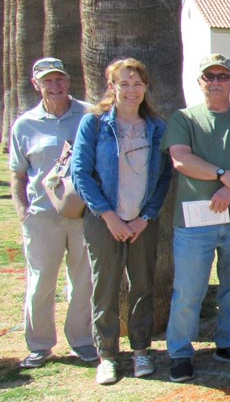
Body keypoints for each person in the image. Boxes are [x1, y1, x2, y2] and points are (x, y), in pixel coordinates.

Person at [163, 54, 230, 382]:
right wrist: (224, 176)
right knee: (189, 290)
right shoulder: (184, 118)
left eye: (223, 76)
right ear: (200, 82)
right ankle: (180, 352)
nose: (217, 81)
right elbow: (181, 160)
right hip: (194, 222)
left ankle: (228, 343)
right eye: (210, 76)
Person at [71, 59, 173, 384]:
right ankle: (108, 356)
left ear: (146, 87)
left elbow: (163, 177)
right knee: (106, 288)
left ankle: (142, 350)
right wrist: (109, 216)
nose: (131, 90)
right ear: (112, 87)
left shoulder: (157, 127)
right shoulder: (96, 124)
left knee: (142, 286)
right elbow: (80, 173)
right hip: (104, 222)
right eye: (124, 83)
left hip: (142, 223)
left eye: (137, 83)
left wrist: (145, 217)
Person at [11, 57, 98, 368]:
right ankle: (39, 345)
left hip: (83, 215)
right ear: (37, 85)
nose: (55, 86)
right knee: (40, 281)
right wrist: (23, 211)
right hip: (42, 217)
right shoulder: (25, 124)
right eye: (48, 81)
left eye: (59, 79)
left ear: (68, 81)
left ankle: (83, 341)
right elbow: (18, 173)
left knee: (83, 280)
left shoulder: (89, 114)